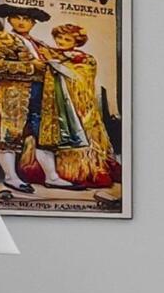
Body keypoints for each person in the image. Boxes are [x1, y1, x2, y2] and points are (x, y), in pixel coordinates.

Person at [0, 4, 51, 198]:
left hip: (39, 92)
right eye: (16, 17)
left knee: (41, 134)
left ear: (33, 23)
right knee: (9, 134)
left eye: (26, 19)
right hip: (12, 92)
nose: (21, 22)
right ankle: (11, 176)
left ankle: (51, 176)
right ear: (9, 20)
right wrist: (30, 67)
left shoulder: (40, 44)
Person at [36, 19, 117, 189]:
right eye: (59, 38)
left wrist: (54, 62)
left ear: (76, 42)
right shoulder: (50, 53)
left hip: (77, 107)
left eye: (67, 40)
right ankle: (60, 174)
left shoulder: (86, 59)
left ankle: (81, 172)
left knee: (81, 138)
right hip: (53, 105)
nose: (61, 42)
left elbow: (79, 78)